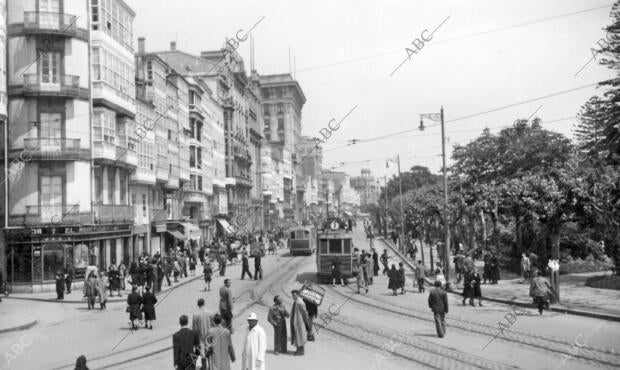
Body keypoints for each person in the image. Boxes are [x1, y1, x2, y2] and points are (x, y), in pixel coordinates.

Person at [193, 298, 214, 370]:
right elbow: (213, 325)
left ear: (198, 304)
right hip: (209, 337)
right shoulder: (210, 313)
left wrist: (195, 341)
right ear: (204, 303)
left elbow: (194, 329)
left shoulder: (195, 315)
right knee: (210, 355)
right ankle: (211, 368)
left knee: (203, 356)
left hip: (200, 338)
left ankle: (204, 368)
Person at [290, 290, 309, 356]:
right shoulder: (296, 301)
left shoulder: (300, 302)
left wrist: (306, 322)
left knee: (300, 336)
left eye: (294, 295)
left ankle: (300, 351)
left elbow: (304, 313)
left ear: (297, 295)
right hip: (296, 321)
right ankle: (299, 350)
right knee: (297, 336)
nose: (293, 296)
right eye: (292, 295)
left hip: (299, 322)